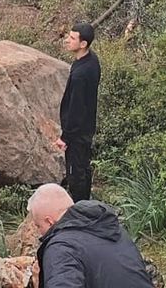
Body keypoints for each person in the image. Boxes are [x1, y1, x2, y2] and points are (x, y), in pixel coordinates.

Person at [26, 183, 153, 288]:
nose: (39, 234)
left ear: (49, 221)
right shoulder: (112, 228)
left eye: (38, 226)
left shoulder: (61, 248)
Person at [57, 22, 101, 202]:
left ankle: (80, 207)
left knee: (76, 173)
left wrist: (65, 137)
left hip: (78, 132)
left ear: (83, 44)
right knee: (83, 167)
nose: (67, 40)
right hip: (86, 126)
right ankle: (85, 202)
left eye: (72, 38)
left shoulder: (81, 74)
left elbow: (76, 108)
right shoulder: (91, 59)